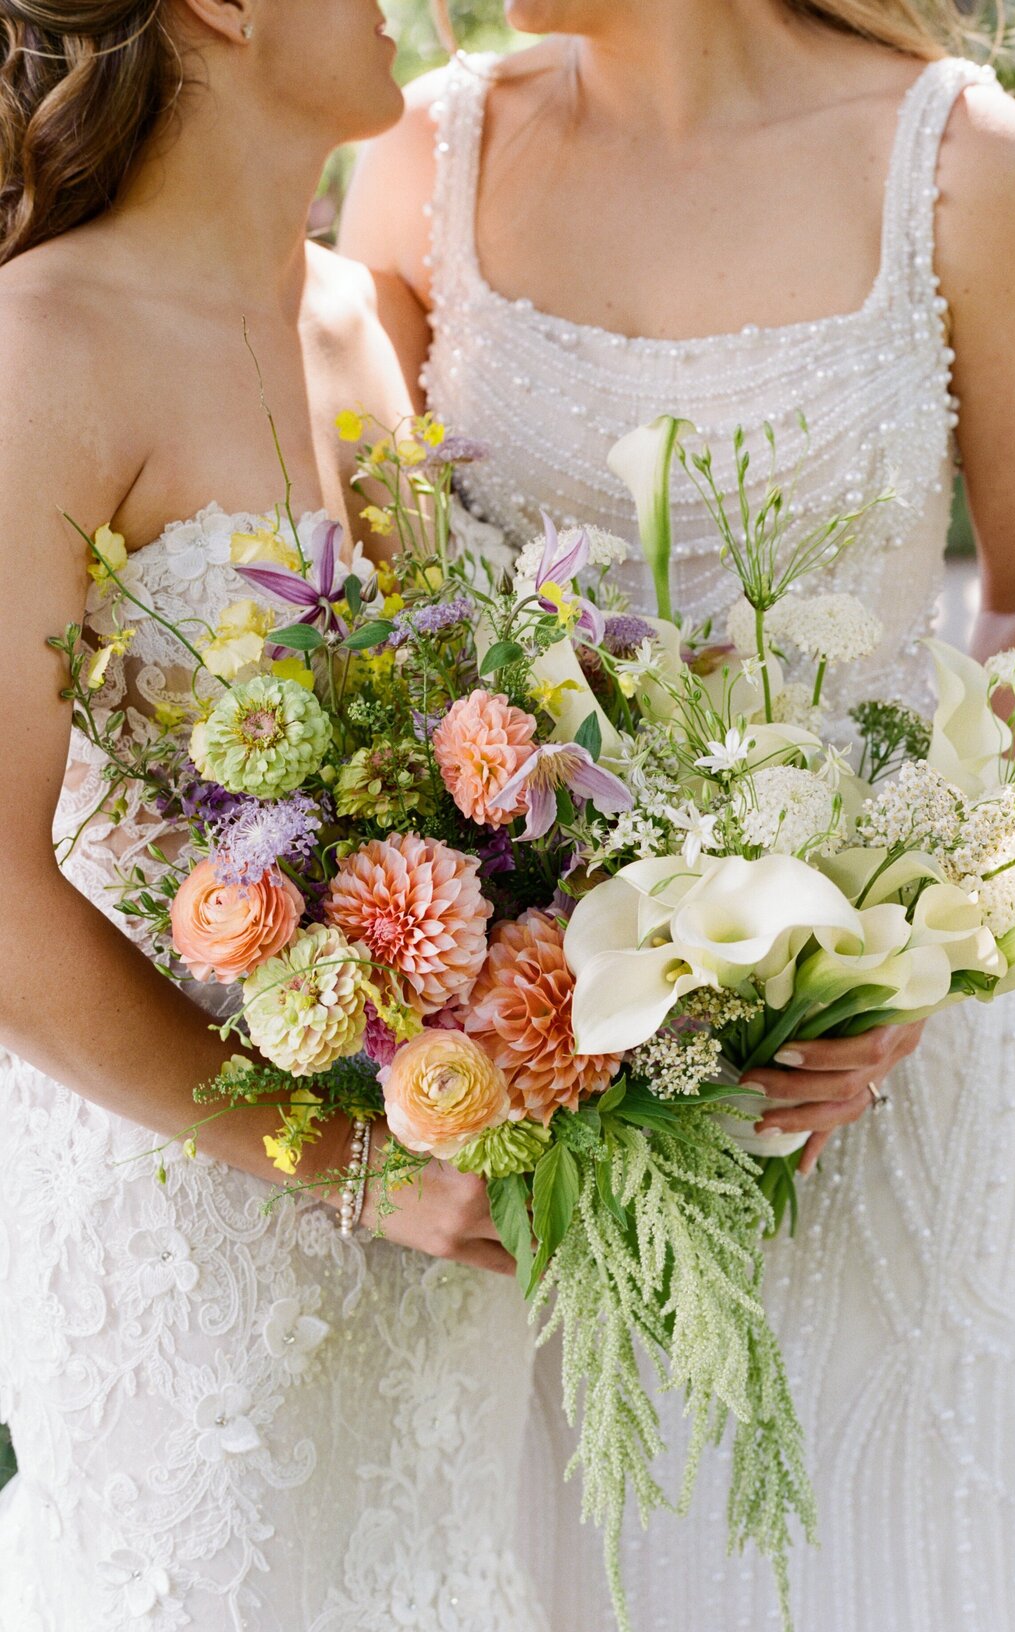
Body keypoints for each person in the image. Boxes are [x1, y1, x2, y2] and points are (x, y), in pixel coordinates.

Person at [340, 1, 1015, 1627]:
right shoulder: (422, 153)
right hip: (545, 1053)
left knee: (873, 1535)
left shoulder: (967, 165)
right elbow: (393, 636)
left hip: (867, 1064)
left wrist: (919, 941)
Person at [0, 1, 547, 1626]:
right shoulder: (41, 348)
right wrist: (346, 1169)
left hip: (426, 1195)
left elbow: (468, 744)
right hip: (196, 1218)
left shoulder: (341, 324)